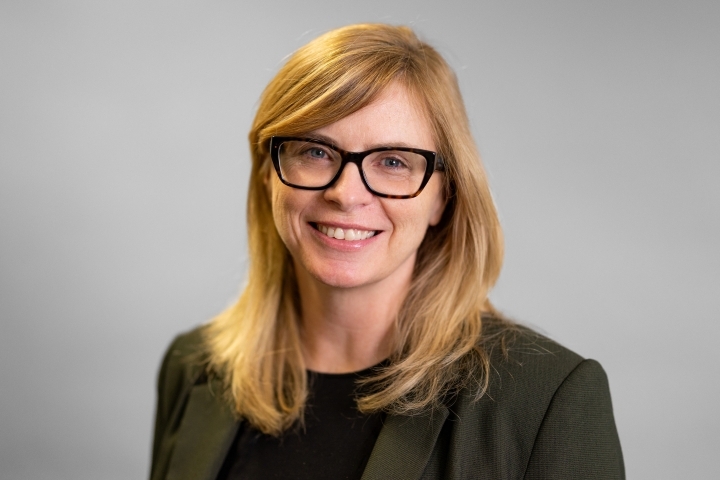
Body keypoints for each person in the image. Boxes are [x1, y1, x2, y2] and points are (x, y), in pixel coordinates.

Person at [150, 23, 624, 480]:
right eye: (315, 151)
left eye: (393, 161)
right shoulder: (194, 369)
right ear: (267, 172)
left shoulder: (544, 400)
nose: (345, 193)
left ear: (444, 196)